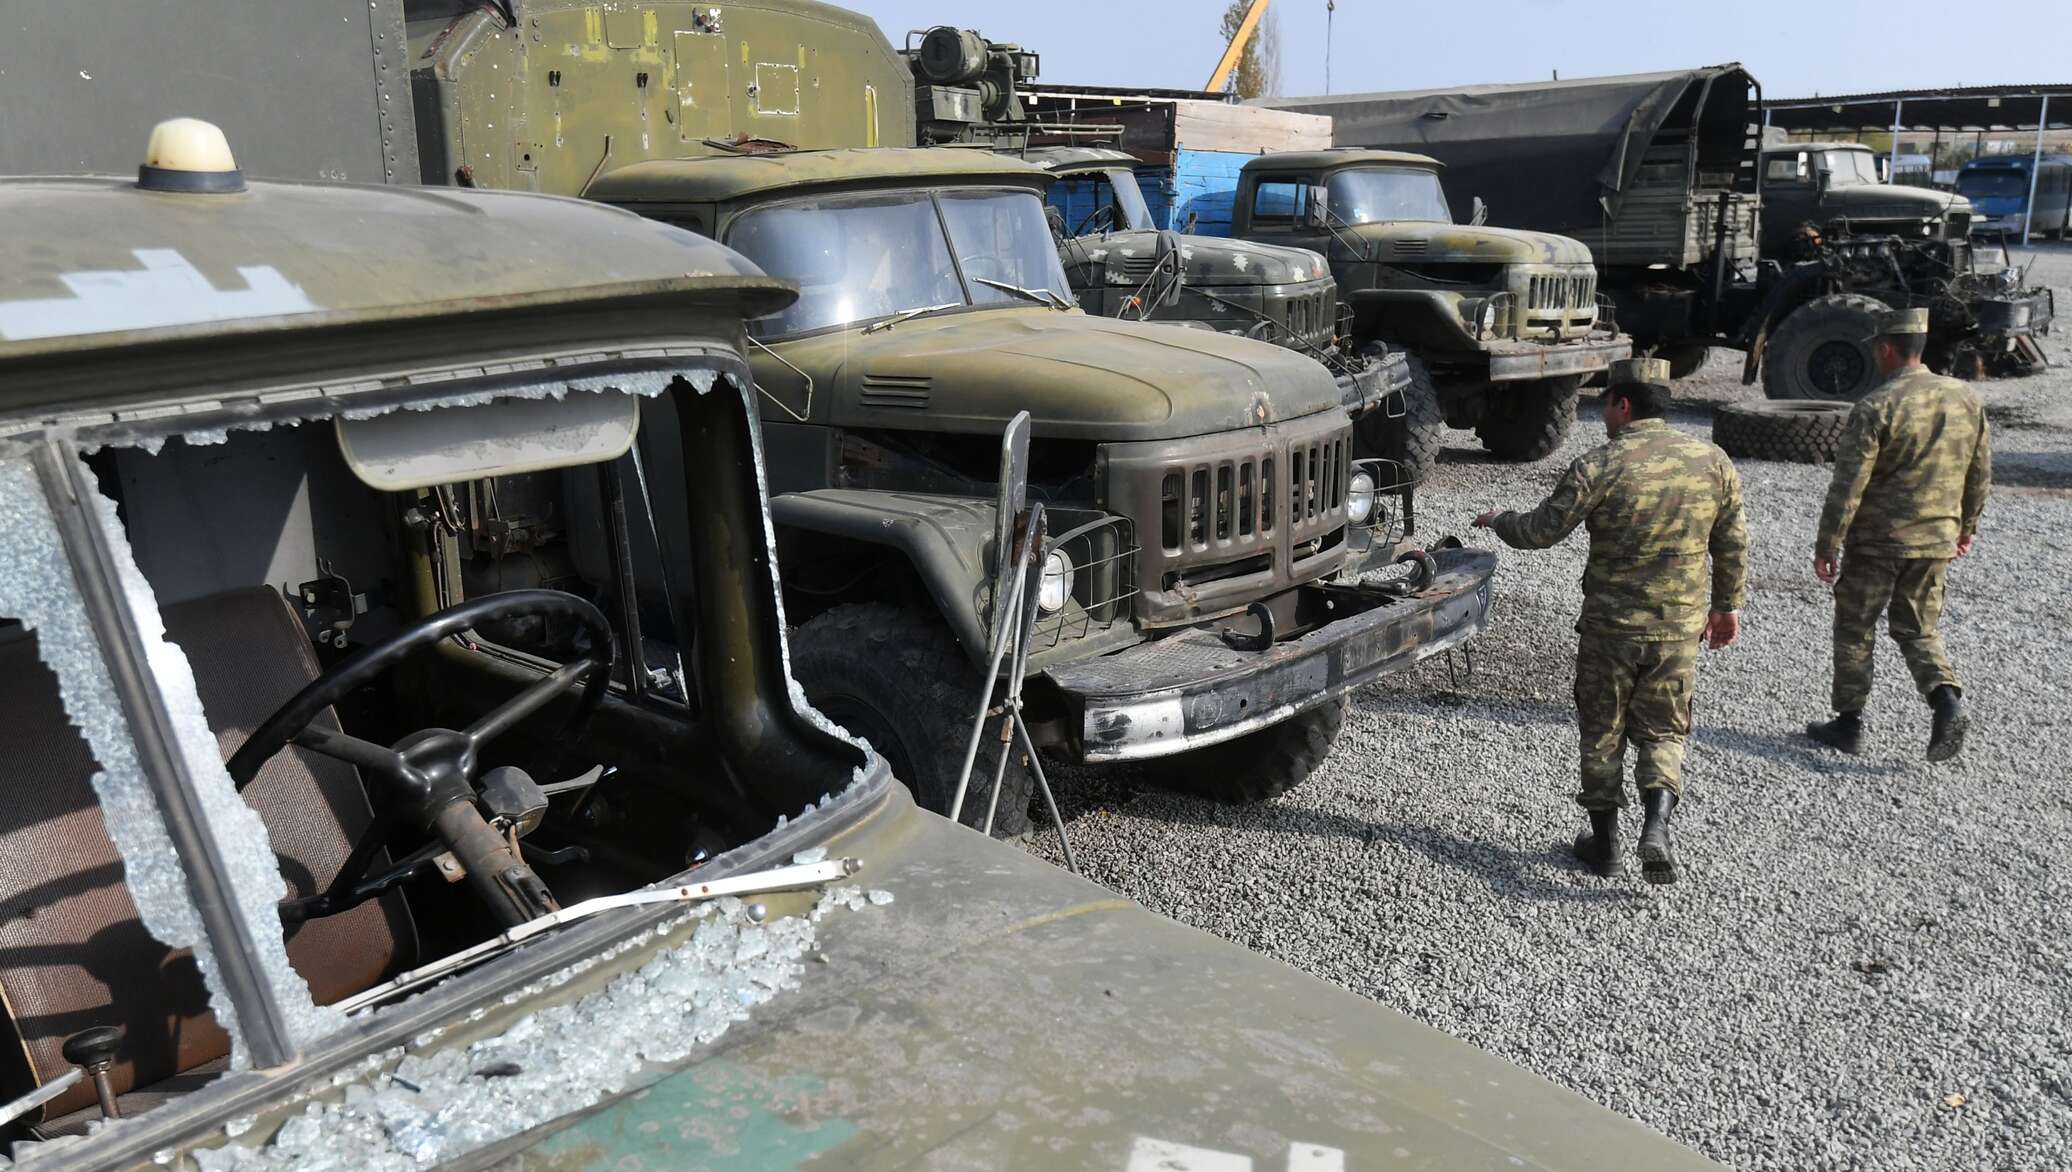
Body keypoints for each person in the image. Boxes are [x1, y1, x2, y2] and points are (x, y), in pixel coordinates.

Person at [1473, 357, 1746, 884]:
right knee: (1665, 729)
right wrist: (1726, 607)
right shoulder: (1712, 461)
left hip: (1611, 629)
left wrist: (1497, 521)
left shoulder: (1599, 465)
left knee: (1603, 732)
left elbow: (1540, 532)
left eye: (1606, 405)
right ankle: (1658, 826)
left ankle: (1605, 847)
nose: (1603, 417)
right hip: (1677, 629)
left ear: (1623, 403)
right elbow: (1732, 542)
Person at [1805, 307, 1991, 762]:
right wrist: (1967, 526)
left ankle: (1848, 724)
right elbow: (1980, 470)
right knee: (1918, 629)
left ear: (1886, 349)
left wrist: (1828, 543)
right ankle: (1946, 701)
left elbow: (1849, 483)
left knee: (1855, 629)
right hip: (1935, 539)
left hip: (1877, 542)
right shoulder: (1965, 398)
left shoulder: (1876, 406)